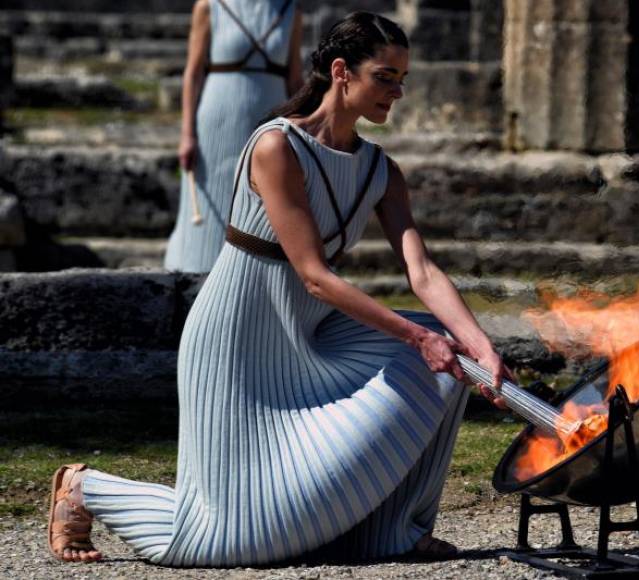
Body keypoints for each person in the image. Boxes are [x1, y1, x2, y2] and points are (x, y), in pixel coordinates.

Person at [48, 11, 509, 566]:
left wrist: (477, 344)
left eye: (401, 79)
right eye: (385, 77)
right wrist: (418, 337)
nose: (399, 91)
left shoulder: (382, 171)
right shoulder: (277, 147)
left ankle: (393, 532)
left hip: (310, 342)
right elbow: (314, 276)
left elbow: (423, 272)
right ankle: (86, 488)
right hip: (237, 344)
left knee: (453, 359)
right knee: (225, 539)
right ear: (342, 72)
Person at [164, 0, 303, 273]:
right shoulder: (209, 6)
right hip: (218, 119)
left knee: (263, 202)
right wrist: (186, 134)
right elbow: (193, 73)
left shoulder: (290, 10)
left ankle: (252, 280)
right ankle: (194, 276)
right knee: (212, 202)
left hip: (270, 122)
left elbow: (295, 79)